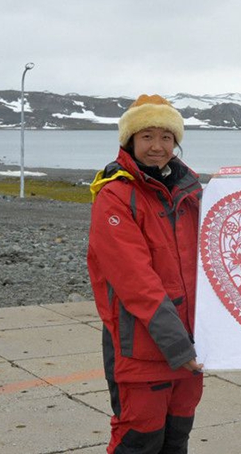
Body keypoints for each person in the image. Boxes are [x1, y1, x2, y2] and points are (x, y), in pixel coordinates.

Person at [87, 94, 204, 454]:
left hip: (192, 345)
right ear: (130, 141)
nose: (158, 147)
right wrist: (177, 345)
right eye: (147, 137)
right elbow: (135, 282)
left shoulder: (191, 191)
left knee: (177, 437)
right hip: (141, 347)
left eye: (166, 137)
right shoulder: (116, 196)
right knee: (139, 439)